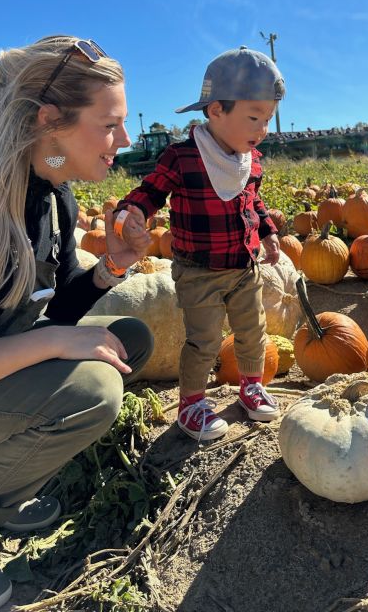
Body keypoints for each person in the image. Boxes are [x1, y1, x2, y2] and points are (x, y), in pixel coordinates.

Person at [0, 35, 155, 612]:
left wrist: (111, 267)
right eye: (109, 124)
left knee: (125, 342)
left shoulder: (55, 197)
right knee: (90, 388)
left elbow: (56, 309)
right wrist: (54, 341)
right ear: (50, 121)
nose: (127, 140)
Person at [116, 46, 285, 442]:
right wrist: (131, 214)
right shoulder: (183, 157)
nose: (261, 128)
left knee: (253, 331)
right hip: (199, 270)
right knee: (204, 340)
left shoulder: (251, 161)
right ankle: (191, 403)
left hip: (244, 265)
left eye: (267, 119)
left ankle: (251, 385)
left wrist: (268, 232)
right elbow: (150, 191)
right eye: (253, 117)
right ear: (215, 111)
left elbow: (253, 202)